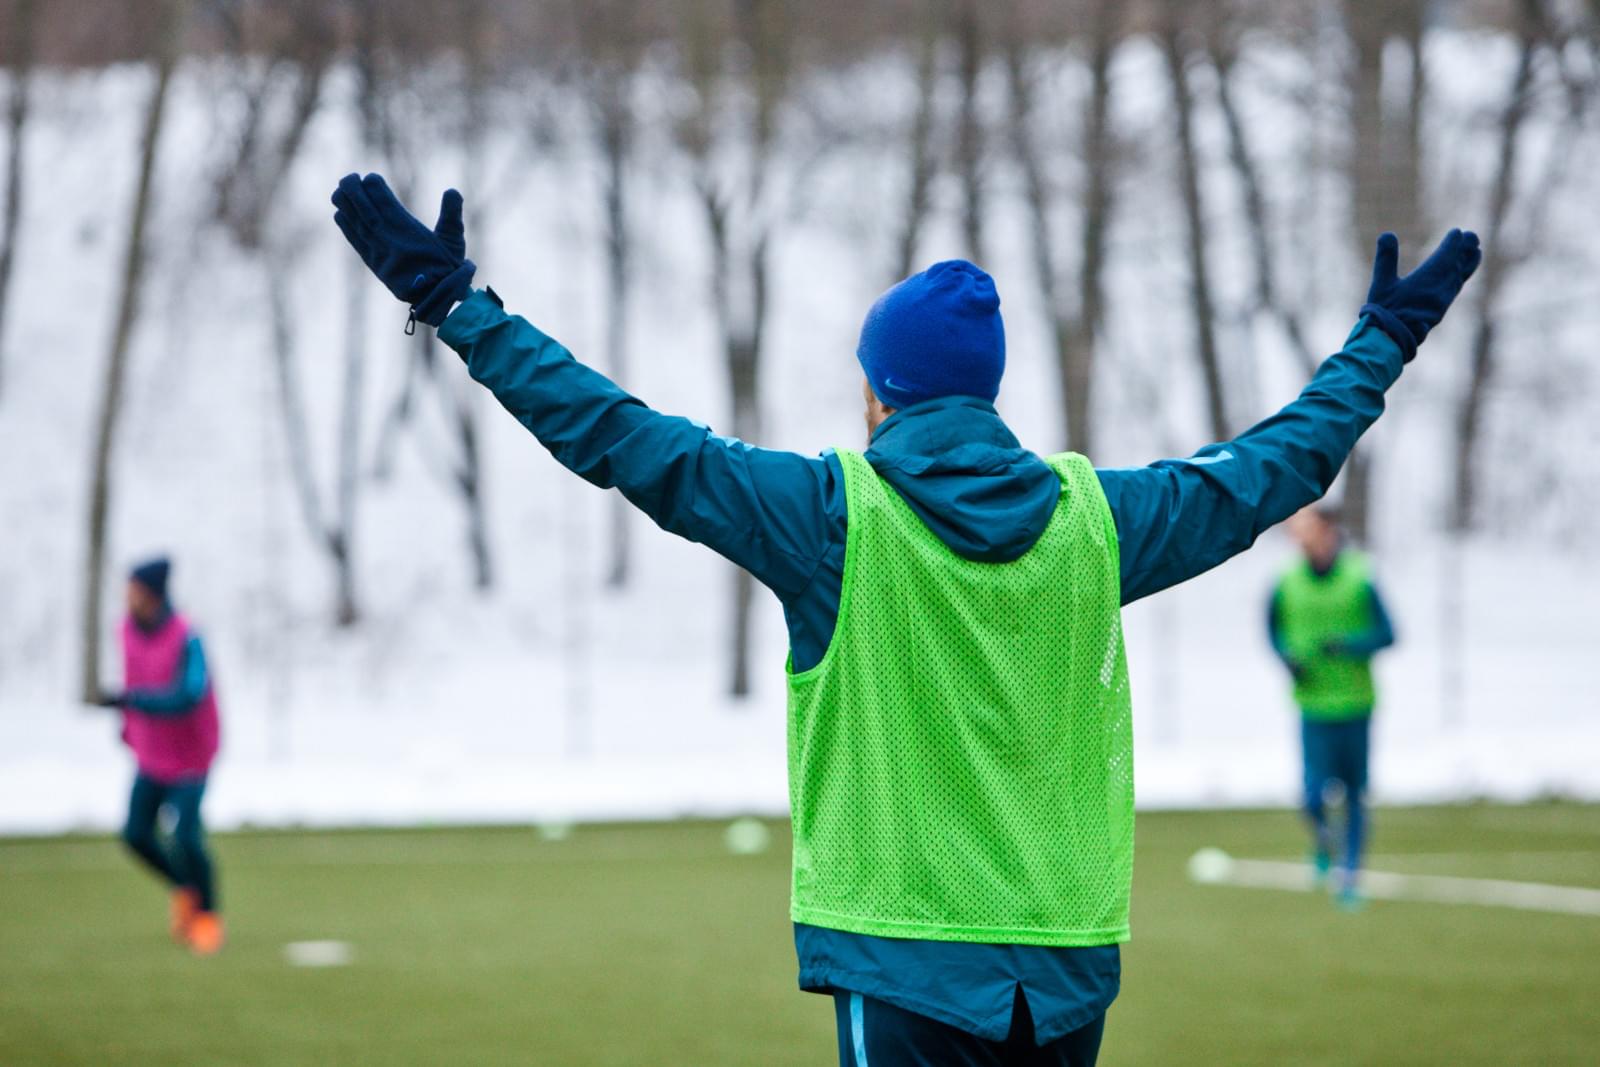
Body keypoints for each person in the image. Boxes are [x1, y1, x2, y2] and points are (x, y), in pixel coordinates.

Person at [331, 172, 1480, 1065]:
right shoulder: (1098, 518)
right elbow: (1276, 463)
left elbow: (621, 436)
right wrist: (1381, 341)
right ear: (986, 388)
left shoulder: (831, 515)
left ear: (881, 388)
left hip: (908, 956)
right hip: (1068, 965)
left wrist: (459, 308)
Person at [94, 557, 225, 956]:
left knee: (186, 837)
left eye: (133, 590)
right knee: (135, 834)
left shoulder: (188, 637)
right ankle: (185, 889)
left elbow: (190, 693)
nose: (126, 597)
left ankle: (207, 916)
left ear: (151, 595)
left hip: (190, 755)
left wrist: (132, 702)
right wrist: (128, 727)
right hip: (152, 755)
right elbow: (136, 680)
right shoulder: (127, 632)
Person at [1269, 506, 1397, 909]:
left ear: (1327, 531)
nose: (1300, 536)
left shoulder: (1361, 576)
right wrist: (1288, 659)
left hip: (1355, 704)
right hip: (1313, 706)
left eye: (1307, 528)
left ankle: (1350, 874)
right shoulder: (1286, 582)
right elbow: (1272, 630)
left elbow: (1389, 633)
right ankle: (1326, 840)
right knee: (1311, 795)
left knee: (1355, 793)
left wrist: (1349, 645)